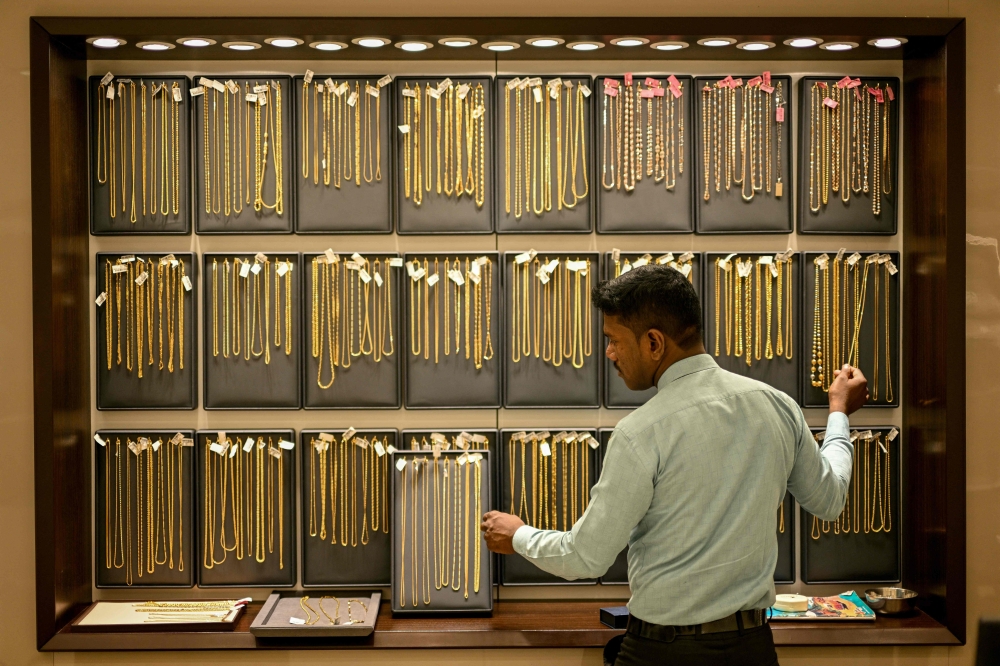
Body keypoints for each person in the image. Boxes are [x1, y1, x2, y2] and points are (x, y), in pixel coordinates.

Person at [481, 264, 867, 666]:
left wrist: (519, 535)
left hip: (661, 655)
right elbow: (830, 498)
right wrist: (839, 412)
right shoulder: (776, 405)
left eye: (613, 340)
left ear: (653, 343)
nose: (609, 353)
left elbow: (586, 557)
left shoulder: (640, 433)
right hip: (753, 651)